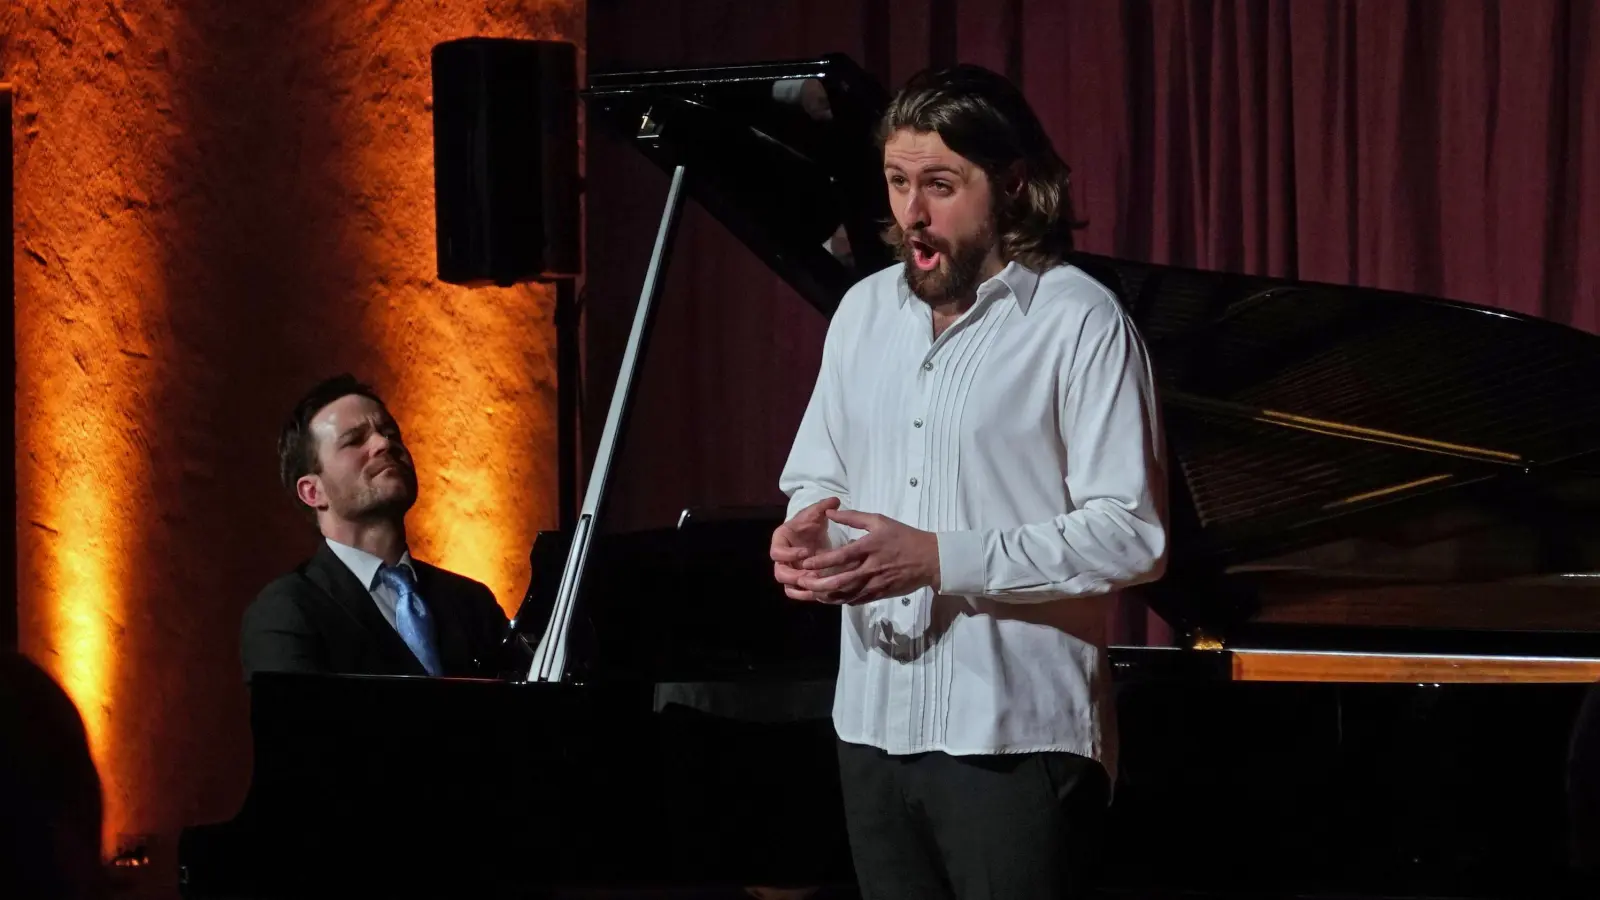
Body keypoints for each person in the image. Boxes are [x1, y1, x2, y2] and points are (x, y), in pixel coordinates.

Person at [772, 64, 1168, 899]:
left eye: (941, 186)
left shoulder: (1079, 322)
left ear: (1014, 186)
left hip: (1012, 739)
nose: (912, 213)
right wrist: (807, 526)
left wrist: (940, 559)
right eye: (898, 182)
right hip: (871, 726)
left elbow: (1133, 533)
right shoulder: (864, 311)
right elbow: (818, 469)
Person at [241, 374, 508, 681]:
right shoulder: (286, 611)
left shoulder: (473, 603)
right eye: (354, 440)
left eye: (391, 433)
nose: (384, 444)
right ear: (313, 492)